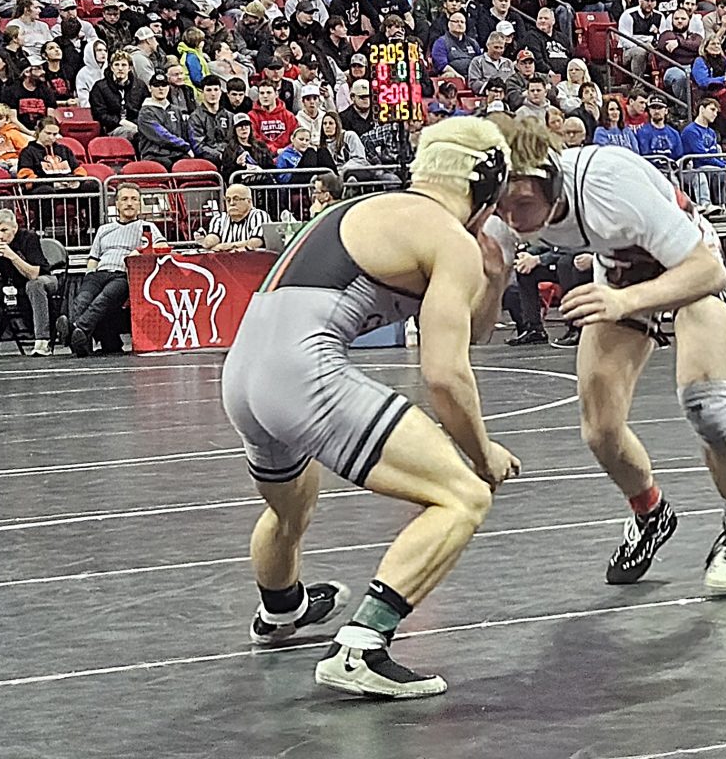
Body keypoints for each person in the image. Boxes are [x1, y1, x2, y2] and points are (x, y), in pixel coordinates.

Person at [220, 116, 520, 698]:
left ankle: (281, 611)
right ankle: (362, 646)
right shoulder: (447, 237)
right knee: (462, 496)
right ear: (487, 188)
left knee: (291, 508)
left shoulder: (363, 208)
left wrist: (495, 276)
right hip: (302, 372)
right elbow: (447, 373)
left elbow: (476, 330)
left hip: (244, 371)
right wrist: (480, 454)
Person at [493, 115, 726, 593]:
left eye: (523, 205)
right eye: (502, 207)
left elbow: (708, 270)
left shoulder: (608, 181)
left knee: (707, 407)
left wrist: (623, 302)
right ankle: (650, 512)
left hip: (685, 265)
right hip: (619, 272)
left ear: (551, 180)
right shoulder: (505, 203)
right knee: (600, 431)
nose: (513, 220)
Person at [57, 182, 167, 356]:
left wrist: (140, 252)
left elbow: (162, 246)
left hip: (124, 274)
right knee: (83, 299)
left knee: (102, 300)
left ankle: (75, 329)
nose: (129, 203)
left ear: (139, 204)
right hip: (100, 271)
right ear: (116, 204)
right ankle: (80, 338)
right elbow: (93, 258)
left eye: (134, 199)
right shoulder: (104, 229)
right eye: (124, 199)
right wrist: (90, 274)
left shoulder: (147, 227)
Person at [0, 208, 55, 357]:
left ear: (14, 228)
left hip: (43, 280)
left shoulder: (29, 238)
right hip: (10, 284)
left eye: (4, 230)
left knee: (34, 285)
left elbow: (33, 274)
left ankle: (42, 342)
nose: (0, 236)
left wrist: (13, 257)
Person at [137, 71, 192, 168]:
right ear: (150, 88)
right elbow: (161, 135)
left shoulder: (176, 110)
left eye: (164, 85)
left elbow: (185, 133)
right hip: (154, 155)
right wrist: (185, 146)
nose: (161, 88)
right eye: (156, 85)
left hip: (177, 153)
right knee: (167, 164)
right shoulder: (145, 113)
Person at [89, 50, 147, 140]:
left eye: (124, 65)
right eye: (116, 65)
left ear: (130, 68)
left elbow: (145, 109)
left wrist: (136, 123)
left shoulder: (140, 86)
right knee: (136, 133)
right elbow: (99, 114)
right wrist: (120, 121)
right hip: (112, 128)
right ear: (111, 68)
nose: (120, 68)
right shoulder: (100, 87)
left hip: (137, 125)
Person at [198, 184, 270, 251]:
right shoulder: (219, 218)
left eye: (236, 199)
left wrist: (223, 247)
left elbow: (255, 242)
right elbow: (213, 238)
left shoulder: (258, 215)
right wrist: (204, 241)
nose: (231, 203)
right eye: (228, 200)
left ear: (249, 201)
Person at [188, 73, 232, 164]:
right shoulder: (195, 117)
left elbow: (234, 141)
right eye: (208, 90)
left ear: (221, 91)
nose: (213, 94)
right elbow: (198, 146)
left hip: (231, 158)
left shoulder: (230, 116)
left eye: (216, 90)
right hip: (208, 160)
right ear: (202, 92)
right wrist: (219, 156)